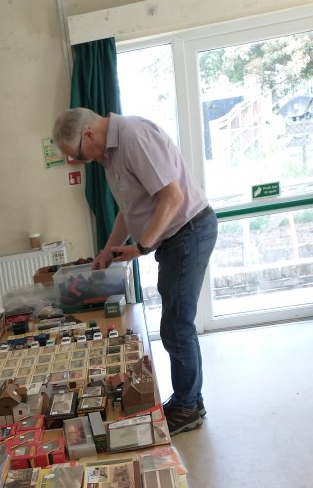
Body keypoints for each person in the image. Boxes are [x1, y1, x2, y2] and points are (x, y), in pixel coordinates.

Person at [52, 108, 218, 435]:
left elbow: (172, 197)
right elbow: (128, 211)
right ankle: (190, 401)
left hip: (188, 232)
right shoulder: (111, 156)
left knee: (176, 325)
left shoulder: (133, 136)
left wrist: (141, 247)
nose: (83, 162)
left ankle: (187, 407)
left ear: (88, 134)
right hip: (175, 238)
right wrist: (108, 251)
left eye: (79, 155)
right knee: (177, 323)